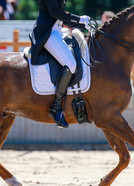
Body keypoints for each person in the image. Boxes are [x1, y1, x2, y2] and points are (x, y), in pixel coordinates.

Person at [29, 0, 91, 128]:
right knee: (71, 64)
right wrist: (79, 19)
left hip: (56, 31)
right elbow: (55, 13)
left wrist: (82, 24)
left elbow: (61, 16)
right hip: (47, 33)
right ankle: (56, 107)